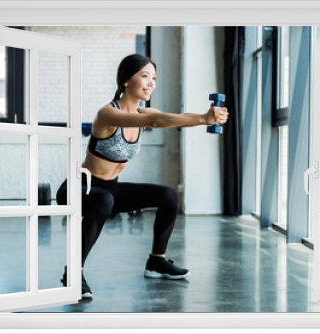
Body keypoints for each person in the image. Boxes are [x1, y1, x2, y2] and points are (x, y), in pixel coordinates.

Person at [56, 54, 228, 299]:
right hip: (79, 187)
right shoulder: (107, 114)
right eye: (145, 76)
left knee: (168, 195)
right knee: (104, 200)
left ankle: (157, 262)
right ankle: (72, 274)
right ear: (126, 81)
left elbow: (174, 117)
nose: (151, 84)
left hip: (110, 189)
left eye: (154, 78)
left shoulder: (145, 113)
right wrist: (204, 119)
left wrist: (206, 116)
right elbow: (155, 121)